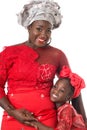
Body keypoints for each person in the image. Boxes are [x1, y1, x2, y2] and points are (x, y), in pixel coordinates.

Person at [0, 0, 86, 130]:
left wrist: (84, 121)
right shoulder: (9, 53)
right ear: (29, 27)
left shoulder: (57, 55)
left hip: (46, 121)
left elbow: (73, 87)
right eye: (39, 29)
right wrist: (12, 112)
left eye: (48, 30)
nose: (44, 35)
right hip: (12, 119)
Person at [31, 65, 87, 130]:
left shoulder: (67, 110)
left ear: (68, 98)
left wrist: (36, 123)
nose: (56, 91)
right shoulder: (56, 106)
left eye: (61, 91)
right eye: (55, 87)